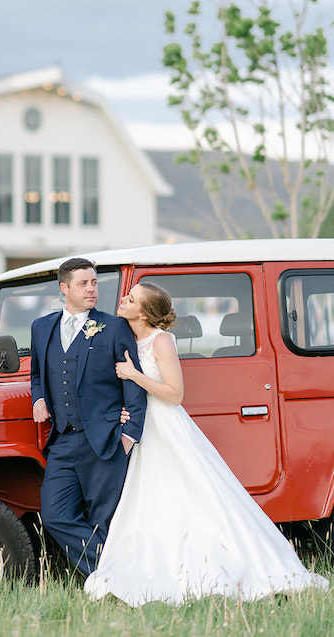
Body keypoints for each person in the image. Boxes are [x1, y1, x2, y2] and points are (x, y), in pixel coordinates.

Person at [84, 282, 328, 605]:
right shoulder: (128, 335)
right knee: (151, 495)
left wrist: (134, 375)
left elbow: (175, 393)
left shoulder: (161, 341)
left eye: (131, 298)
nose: (124, 299)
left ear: (142, 314)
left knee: (192, 491)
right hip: (145, 426)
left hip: (167, 425)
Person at [31, 258, 147, 575]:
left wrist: (129, 434)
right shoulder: (41, 328)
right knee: (54, 515)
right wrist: (38, 398)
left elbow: (133, 382)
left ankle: (108, 585)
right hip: (63, 442)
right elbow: (37, 375)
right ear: (64, 288)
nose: (91, 289)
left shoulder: (114, 327)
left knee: (105, 518)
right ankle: (118, 575)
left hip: (107, 439)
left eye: (94, 282)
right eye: (83, 283)